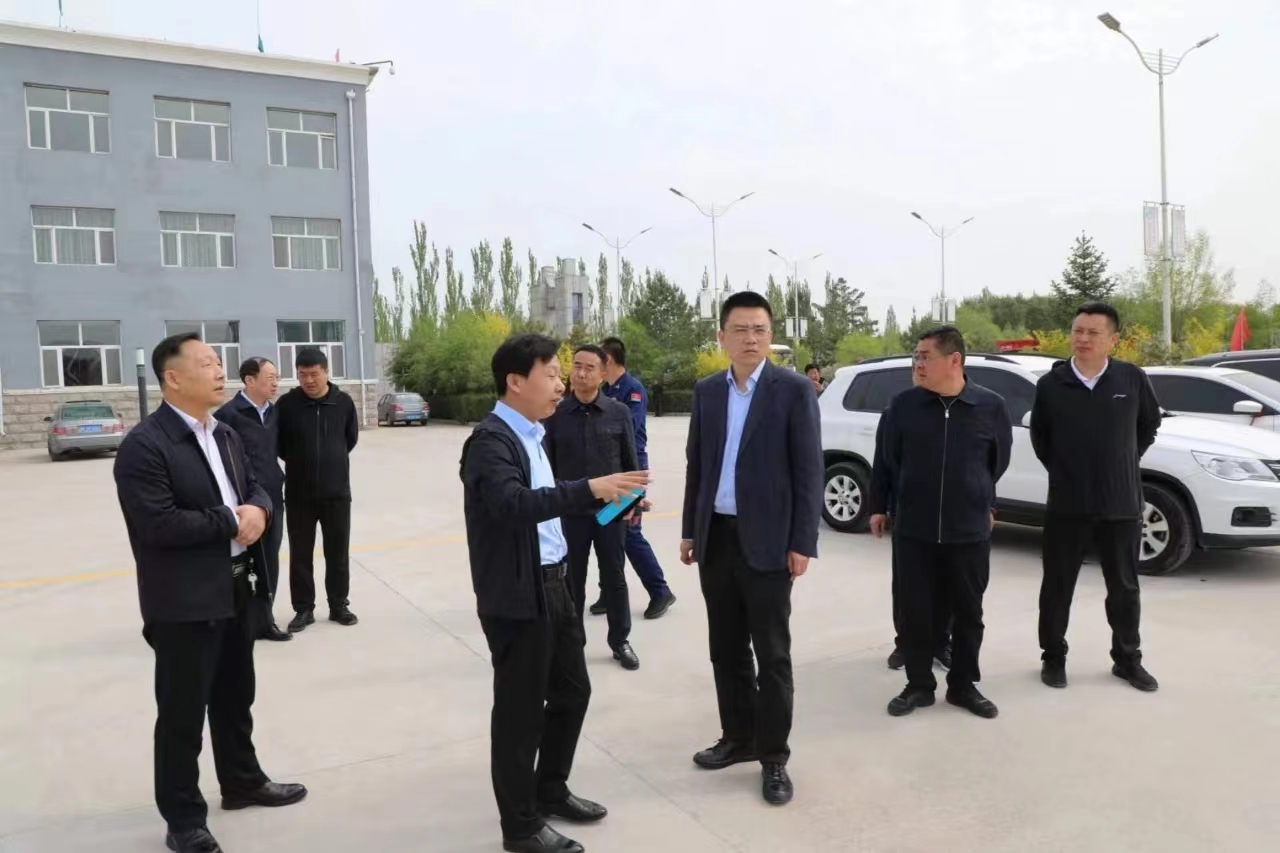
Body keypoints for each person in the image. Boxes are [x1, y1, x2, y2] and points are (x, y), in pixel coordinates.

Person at [114, 333, 306, 853]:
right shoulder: (145, 446)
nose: (220, 371)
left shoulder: (225, 433)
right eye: (206, 364)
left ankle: (242, 782)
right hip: (184, 601)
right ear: (173, 378)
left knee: (235, 696)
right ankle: (183, 819)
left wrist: (260, 508)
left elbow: (258, 484)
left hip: (237, 586)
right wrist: (230, 519)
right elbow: (157, 524)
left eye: (219, 362)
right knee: (182, 714)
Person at [460, 333, 649, 853]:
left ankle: (550, 789)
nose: (561, 384)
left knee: (571, 693)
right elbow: (513, 504)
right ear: (515, 382)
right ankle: (520, 828)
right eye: (550, 375)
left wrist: (613, 502)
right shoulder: (490, 442)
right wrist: (590, 486)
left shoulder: (533, 434)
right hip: (519, 594)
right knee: (519, 713)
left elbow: (551, 506)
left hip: (556, 584)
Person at [680, 291, 822, 807]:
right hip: (717, 537)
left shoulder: (793, 390)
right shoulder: (707, 392)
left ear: (771, 336)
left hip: (769, 543)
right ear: (722, 337)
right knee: (726, 649)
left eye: (759, 329)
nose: (750, 338)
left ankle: (773, 756)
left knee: (772, 654)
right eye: (740, 329)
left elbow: (809, 470)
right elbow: (698, 464)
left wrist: (802, 540)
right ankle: (737, 737)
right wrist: (691, 530)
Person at [868, 326, 1011, 719]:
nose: (918, 363)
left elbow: (996, 462)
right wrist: (880, 505)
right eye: (916, 356)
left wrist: (981, 497)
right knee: (915, 612)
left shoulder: (990, 406)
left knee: (968, 613)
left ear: (954, 360)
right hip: (914, 529)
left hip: (968, 530)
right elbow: (887, 459)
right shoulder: (903, 406)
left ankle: (963, 686)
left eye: (925, 356)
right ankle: (918, 685)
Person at [1030, 301, 1162, 692]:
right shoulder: (1051, 385)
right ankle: (1053, 657)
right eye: (1078, 331)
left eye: (1093, 333)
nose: (1083, 339)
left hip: (1120, 504)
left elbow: (1148, 426)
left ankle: (1127, 660)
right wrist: (1068, 471)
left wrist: (1122, 462)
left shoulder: (1131, 378)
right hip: (1067, 505)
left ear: (1113, 339)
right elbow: (1041, 439)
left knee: (1124, 589)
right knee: (1057, 587)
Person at [544, 344, 642, 671]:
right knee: (572, 581)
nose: (581, 373)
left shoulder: (618, 412)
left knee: (614, 577)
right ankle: (574, 645)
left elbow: (630, 463)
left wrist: (633, 505)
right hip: (571, 512)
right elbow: (548, 468)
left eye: (589, 368)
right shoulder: (556, 414)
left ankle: (620, 641)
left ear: (602, 374)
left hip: (610, 511)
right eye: (577, 366)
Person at [275, 348, 360, 632]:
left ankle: (338, 605)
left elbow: (349, 439)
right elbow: (280, 445)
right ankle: (303, 609)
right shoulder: (287, 404)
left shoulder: (343, 402)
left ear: (326, 372)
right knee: (300, 554)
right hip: (299, 494)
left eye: (314, 374)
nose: (308, 380)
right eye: (302, 374)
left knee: (338, 553)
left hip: (337, 493)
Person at [599, 336, 677, 620]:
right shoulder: (605, 390)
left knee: (630, 533)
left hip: (631, 469)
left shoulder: (633, 389)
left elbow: (628, 427)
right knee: (606, 532)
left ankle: (660, 591)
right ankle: (610, 592)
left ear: (608, 359)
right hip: (608, 469)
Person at [215, 357, 290, 642]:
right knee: (242, 564)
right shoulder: (228, 415)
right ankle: (239, 621)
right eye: (270, 378)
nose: (275, 383)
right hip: (243, 504)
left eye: (277, 377)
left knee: (269, 561)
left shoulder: (275, 413)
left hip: (273, 498)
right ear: (249, 380)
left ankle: (265, 621)